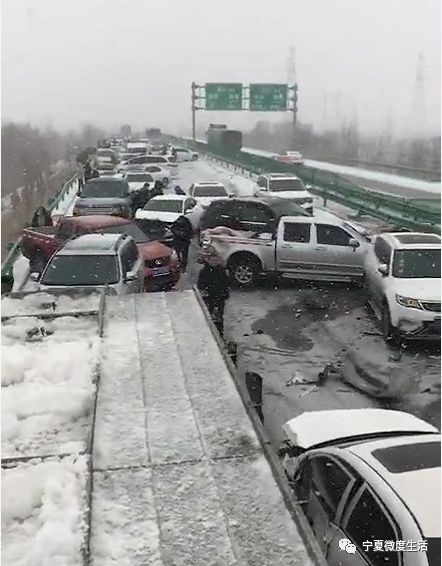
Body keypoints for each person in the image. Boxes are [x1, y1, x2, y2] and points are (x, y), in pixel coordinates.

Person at [197, 247, 230, 337]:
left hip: (220, 297)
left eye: (216, 258)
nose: (214, 261)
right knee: (210, 316)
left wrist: (225, 293)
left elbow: (226, 283)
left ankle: (220, 333)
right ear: (207, 259)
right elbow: (201, 286)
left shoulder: (222, 270)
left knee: (219, 317)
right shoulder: (204, 272)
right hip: (209, 298)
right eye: (212, 258)